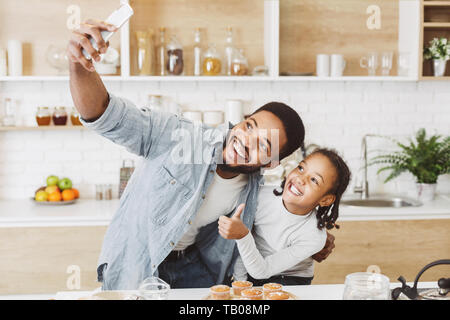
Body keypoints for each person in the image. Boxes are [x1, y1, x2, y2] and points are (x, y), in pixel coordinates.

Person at [66, 19, 336, 290]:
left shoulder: (254, 189)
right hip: (137, 267)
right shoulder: (180, 135)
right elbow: (105, 114)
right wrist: (79, 65)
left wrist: (319, 241)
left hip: (195, 276)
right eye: (249, 126)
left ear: (272, 162)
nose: (244, 141)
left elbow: (284, 218)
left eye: (263, 145)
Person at [219, 148, 351, 286]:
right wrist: (240, 282)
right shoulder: (261, 196)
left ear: (325, 200)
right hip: (253, 268)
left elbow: (259, 265)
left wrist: (242, 236)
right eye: (301, 168)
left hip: (290, 279)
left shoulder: (314, 236)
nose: (301, 179)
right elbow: (246, 246)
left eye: (314, 180)